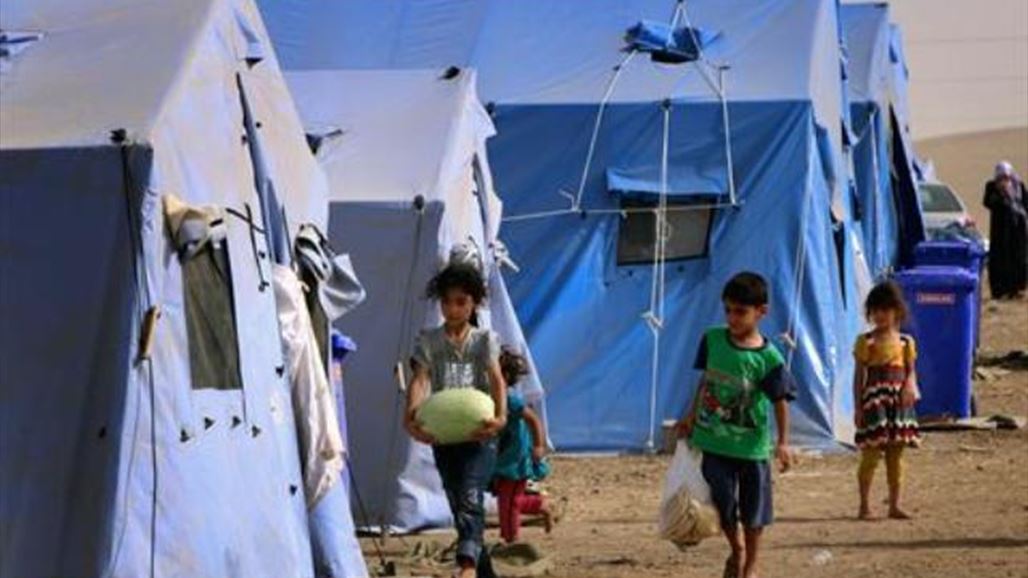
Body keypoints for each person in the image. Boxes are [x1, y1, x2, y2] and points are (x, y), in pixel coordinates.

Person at [675, 272, 795, 578]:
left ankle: (751, 565)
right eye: (728, 310)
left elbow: (780, 401)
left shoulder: (769, 358)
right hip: (713, 443)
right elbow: (706, 380)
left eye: (740, 311)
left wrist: (783, 442)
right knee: (723, 503)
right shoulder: (712, 340)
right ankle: (737, 548)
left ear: (761, 312)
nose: (732, 318)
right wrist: (690, 415)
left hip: (752, 449)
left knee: (754, 512)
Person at [405, 263, 507, 578]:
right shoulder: (429, 340)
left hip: (480, 434)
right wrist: (411, 416)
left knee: (470, 496)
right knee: (458, 502)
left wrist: (501, 417)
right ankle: (483, 571)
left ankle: (466, 567)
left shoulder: (484, 340)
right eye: (447, 302)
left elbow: (497, 380)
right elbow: (420, 380)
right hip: (445, 436)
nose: (453, 309)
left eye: (461, 302)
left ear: (474, 303)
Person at [853, 281, 921, 521]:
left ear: (897, 310)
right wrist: (858, 407)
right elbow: (858, 377)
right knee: (870, 456)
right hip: (875, 405)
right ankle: (864, 506)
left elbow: (911, 371)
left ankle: (894, 505)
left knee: (896, 457)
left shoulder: (906, 342)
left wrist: (910, 385)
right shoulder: (865, 342)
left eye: (885, 310)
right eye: (875, 311)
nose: (879, 315)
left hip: (899, 405)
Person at [492, 348, 554, 544]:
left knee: (509, 502)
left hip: (516, 459)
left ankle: (511, 541)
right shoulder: (489, 398)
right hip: (502, 458)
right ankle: (539, 505)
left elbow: (533, 420)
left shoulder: (511, 401)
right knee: (508, 500)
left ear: (504, 376)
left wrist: (538, 446)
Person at [983, 161, 1028, 299]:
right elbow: (987, 202)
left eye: (1006, 176)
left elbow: (1025, 204)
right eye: (1001, 176)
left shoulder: (1018, 185)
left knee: (1018, 259)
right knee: (999, 260)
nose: (1004, 178)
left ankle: (1017, 289)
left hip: (1017, 229)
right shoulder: (991, 186)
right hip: (1000, 230)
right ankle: (1000, 291)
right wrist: (1000, 194)